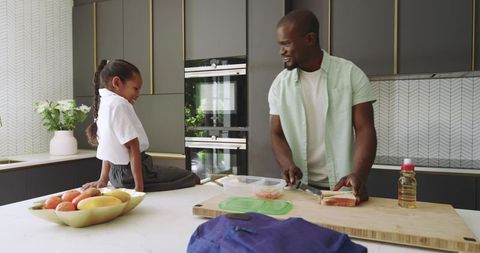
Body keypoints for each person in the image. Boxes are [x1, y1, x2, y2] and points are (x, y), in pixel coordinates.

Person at [268, 9, 377, 203]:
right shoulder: (279, 84)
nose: (281, 51)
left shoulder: (350, 74)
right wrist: (287, 164)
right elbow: (276, 133)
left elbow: (365, 129)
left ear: (309, 39)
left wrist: (359, 175)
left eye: (286, 43)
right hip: (300, 190)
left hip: (342, 188)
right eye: (280, 44)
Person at [83, 59, 198, 192]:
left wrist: (103, 179)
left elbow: (108, 149)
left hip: (115, 176)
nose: (138, 94)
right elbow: (133, 147)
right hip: (135, 174)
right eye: (135, 88)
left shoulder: (104, 104)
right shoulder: (119, 104)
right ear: (117, 83)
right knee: (192, 177)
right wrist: (139, 188)